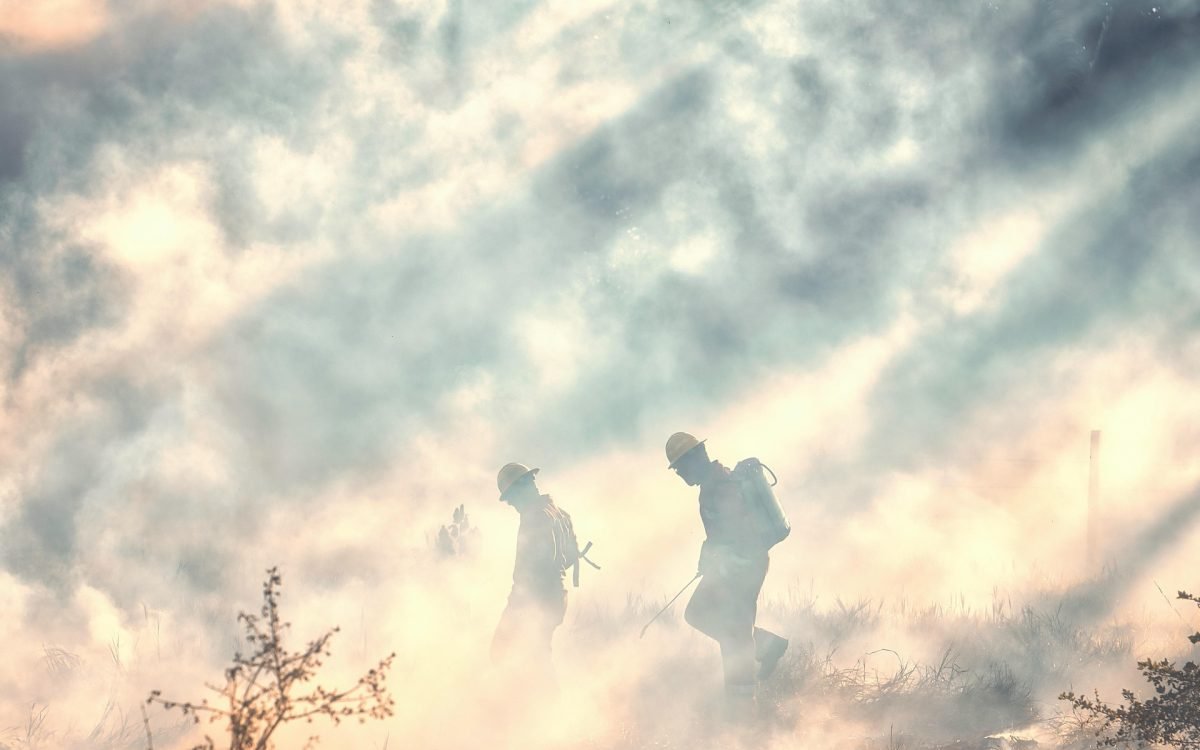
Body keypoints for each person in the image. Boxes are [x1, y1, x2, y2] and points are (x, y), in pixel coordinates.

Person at [665, 432, 789, 715]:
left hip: (742, 569)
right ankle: (767, 646)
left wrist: (715, 555)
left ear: (695, 458)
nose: (680, 474)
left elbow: (736, 533)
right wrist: (709, 554)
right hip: (733, 567)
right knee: (697, 613)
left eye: (680, 467)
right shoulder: (715, 481)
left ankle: (742, 708)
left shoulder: (719, 486)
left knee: (736, 633)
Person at [490, 462, 579, 691]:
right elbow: (569, 558)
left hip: (535, 600)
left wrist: (516, 606)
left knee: (503, 650)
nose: (512, 505)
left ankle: (534, 709)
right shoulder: (559, 513)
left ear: (523, 488)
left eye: (511, 498)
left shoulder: (534, 517)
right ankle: (537, 708)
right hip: (555, 596)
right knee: (537, 655)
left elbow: (530, 572)